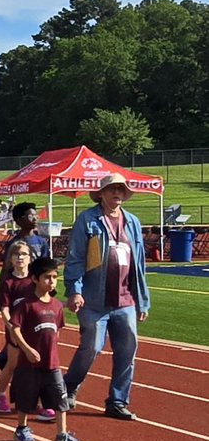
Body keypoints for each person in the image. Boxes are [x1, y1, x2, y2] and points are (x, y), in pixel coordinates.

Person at [63, 174, 150, 421]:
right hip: (94, 300)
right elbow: (76, 258)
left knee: (127, 351)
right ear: (101, 193)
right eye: (112, 190)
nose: (117, 194)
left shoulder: (132, 222)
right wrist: (75, 290)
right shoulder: (88, 220)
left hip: (125, 300)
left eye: (120, 191)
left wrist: (142, 300)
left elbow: (139, 264)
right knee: (91, 347)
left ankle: (118, 400)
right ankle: (69, 386)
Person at [9, 256, 82, 441]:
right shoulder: (26, 304)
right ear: (35, 279)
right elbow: (14, 328)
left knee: (60, 398)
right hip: (29, 364)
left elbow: (57, 329)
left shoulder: (57, 305)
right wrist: (27, 349)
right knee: (26, 398)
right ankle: (22, 428)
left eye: (54, 277)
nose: (51, 282)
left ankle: (62, 434)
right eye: (47, 277)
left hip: (52, 363)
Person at [0, 240, 33, 415]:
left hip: (34, 329)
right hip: (15, 330)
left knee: (35, 365)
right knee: (12, 364)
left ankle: (37, 399)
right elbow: (4, 309)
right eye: (16, 254)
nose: (20, 257)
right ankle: (0, 394)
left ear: (30, 258)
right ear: (11, 259)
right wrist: (11, 328)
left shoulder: (35, 280)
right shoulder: (8, 283)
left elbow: (46, 299)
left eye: (23, 254)